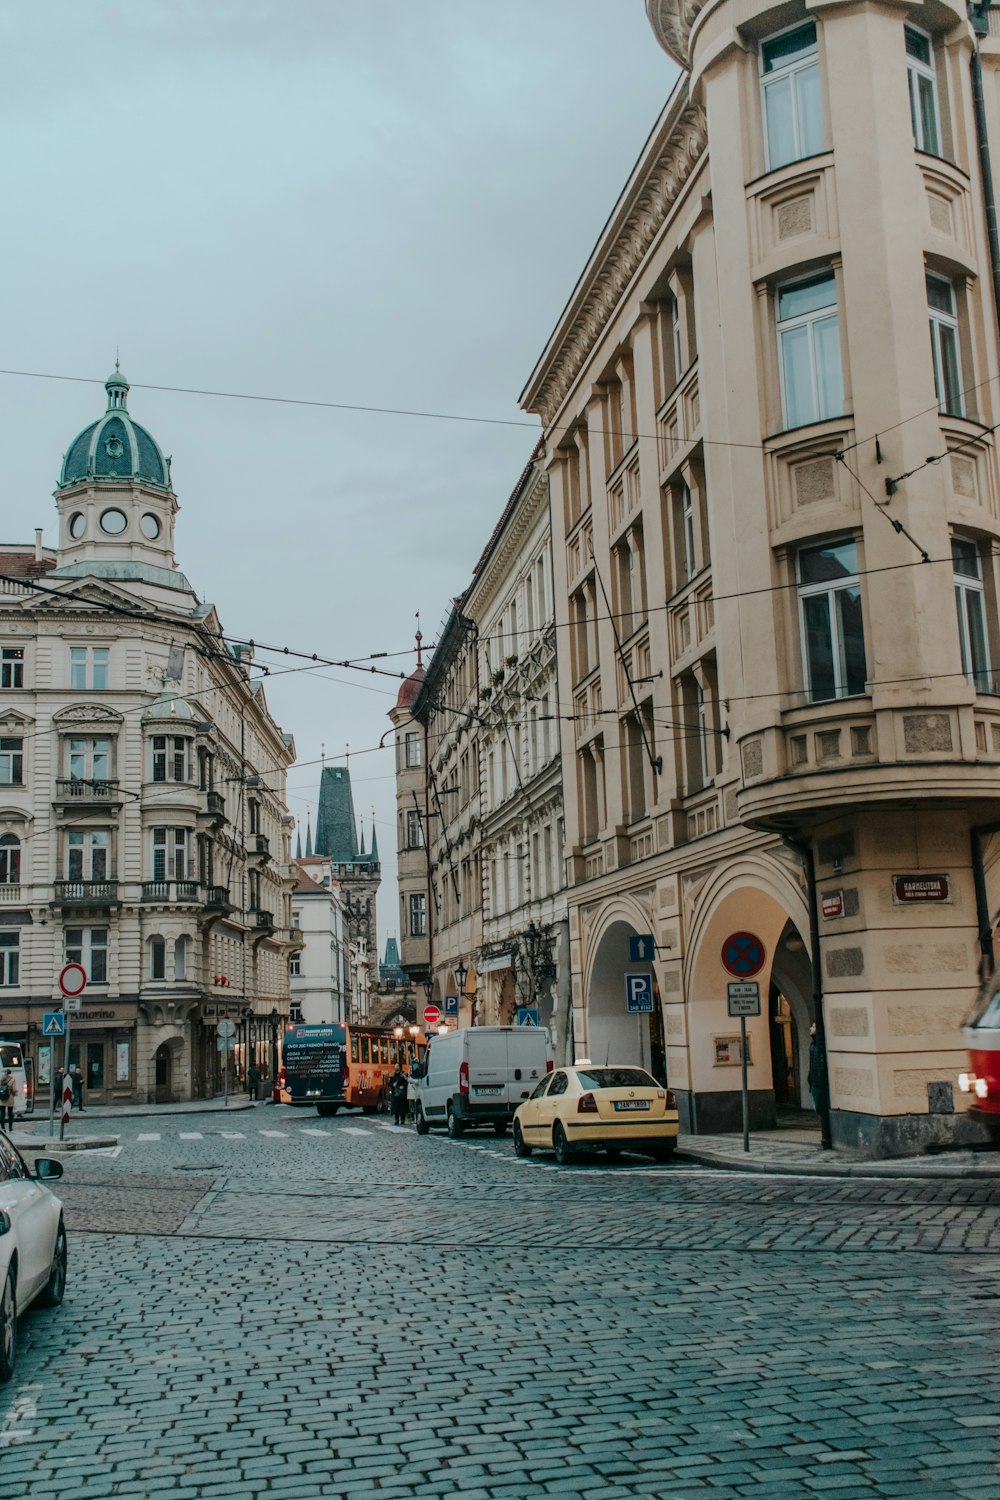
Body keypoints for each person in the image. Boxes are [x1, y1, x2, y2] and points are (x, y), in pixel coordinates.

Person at [807, 1022, 821, 1114]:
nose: (810, 1028)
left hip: (820, 1083)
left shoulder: (820, 1044)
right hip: (814, 1083)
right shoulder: (813, 1044)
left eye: (813, 1026)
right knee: (818, 1109)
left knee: (820, 1109)